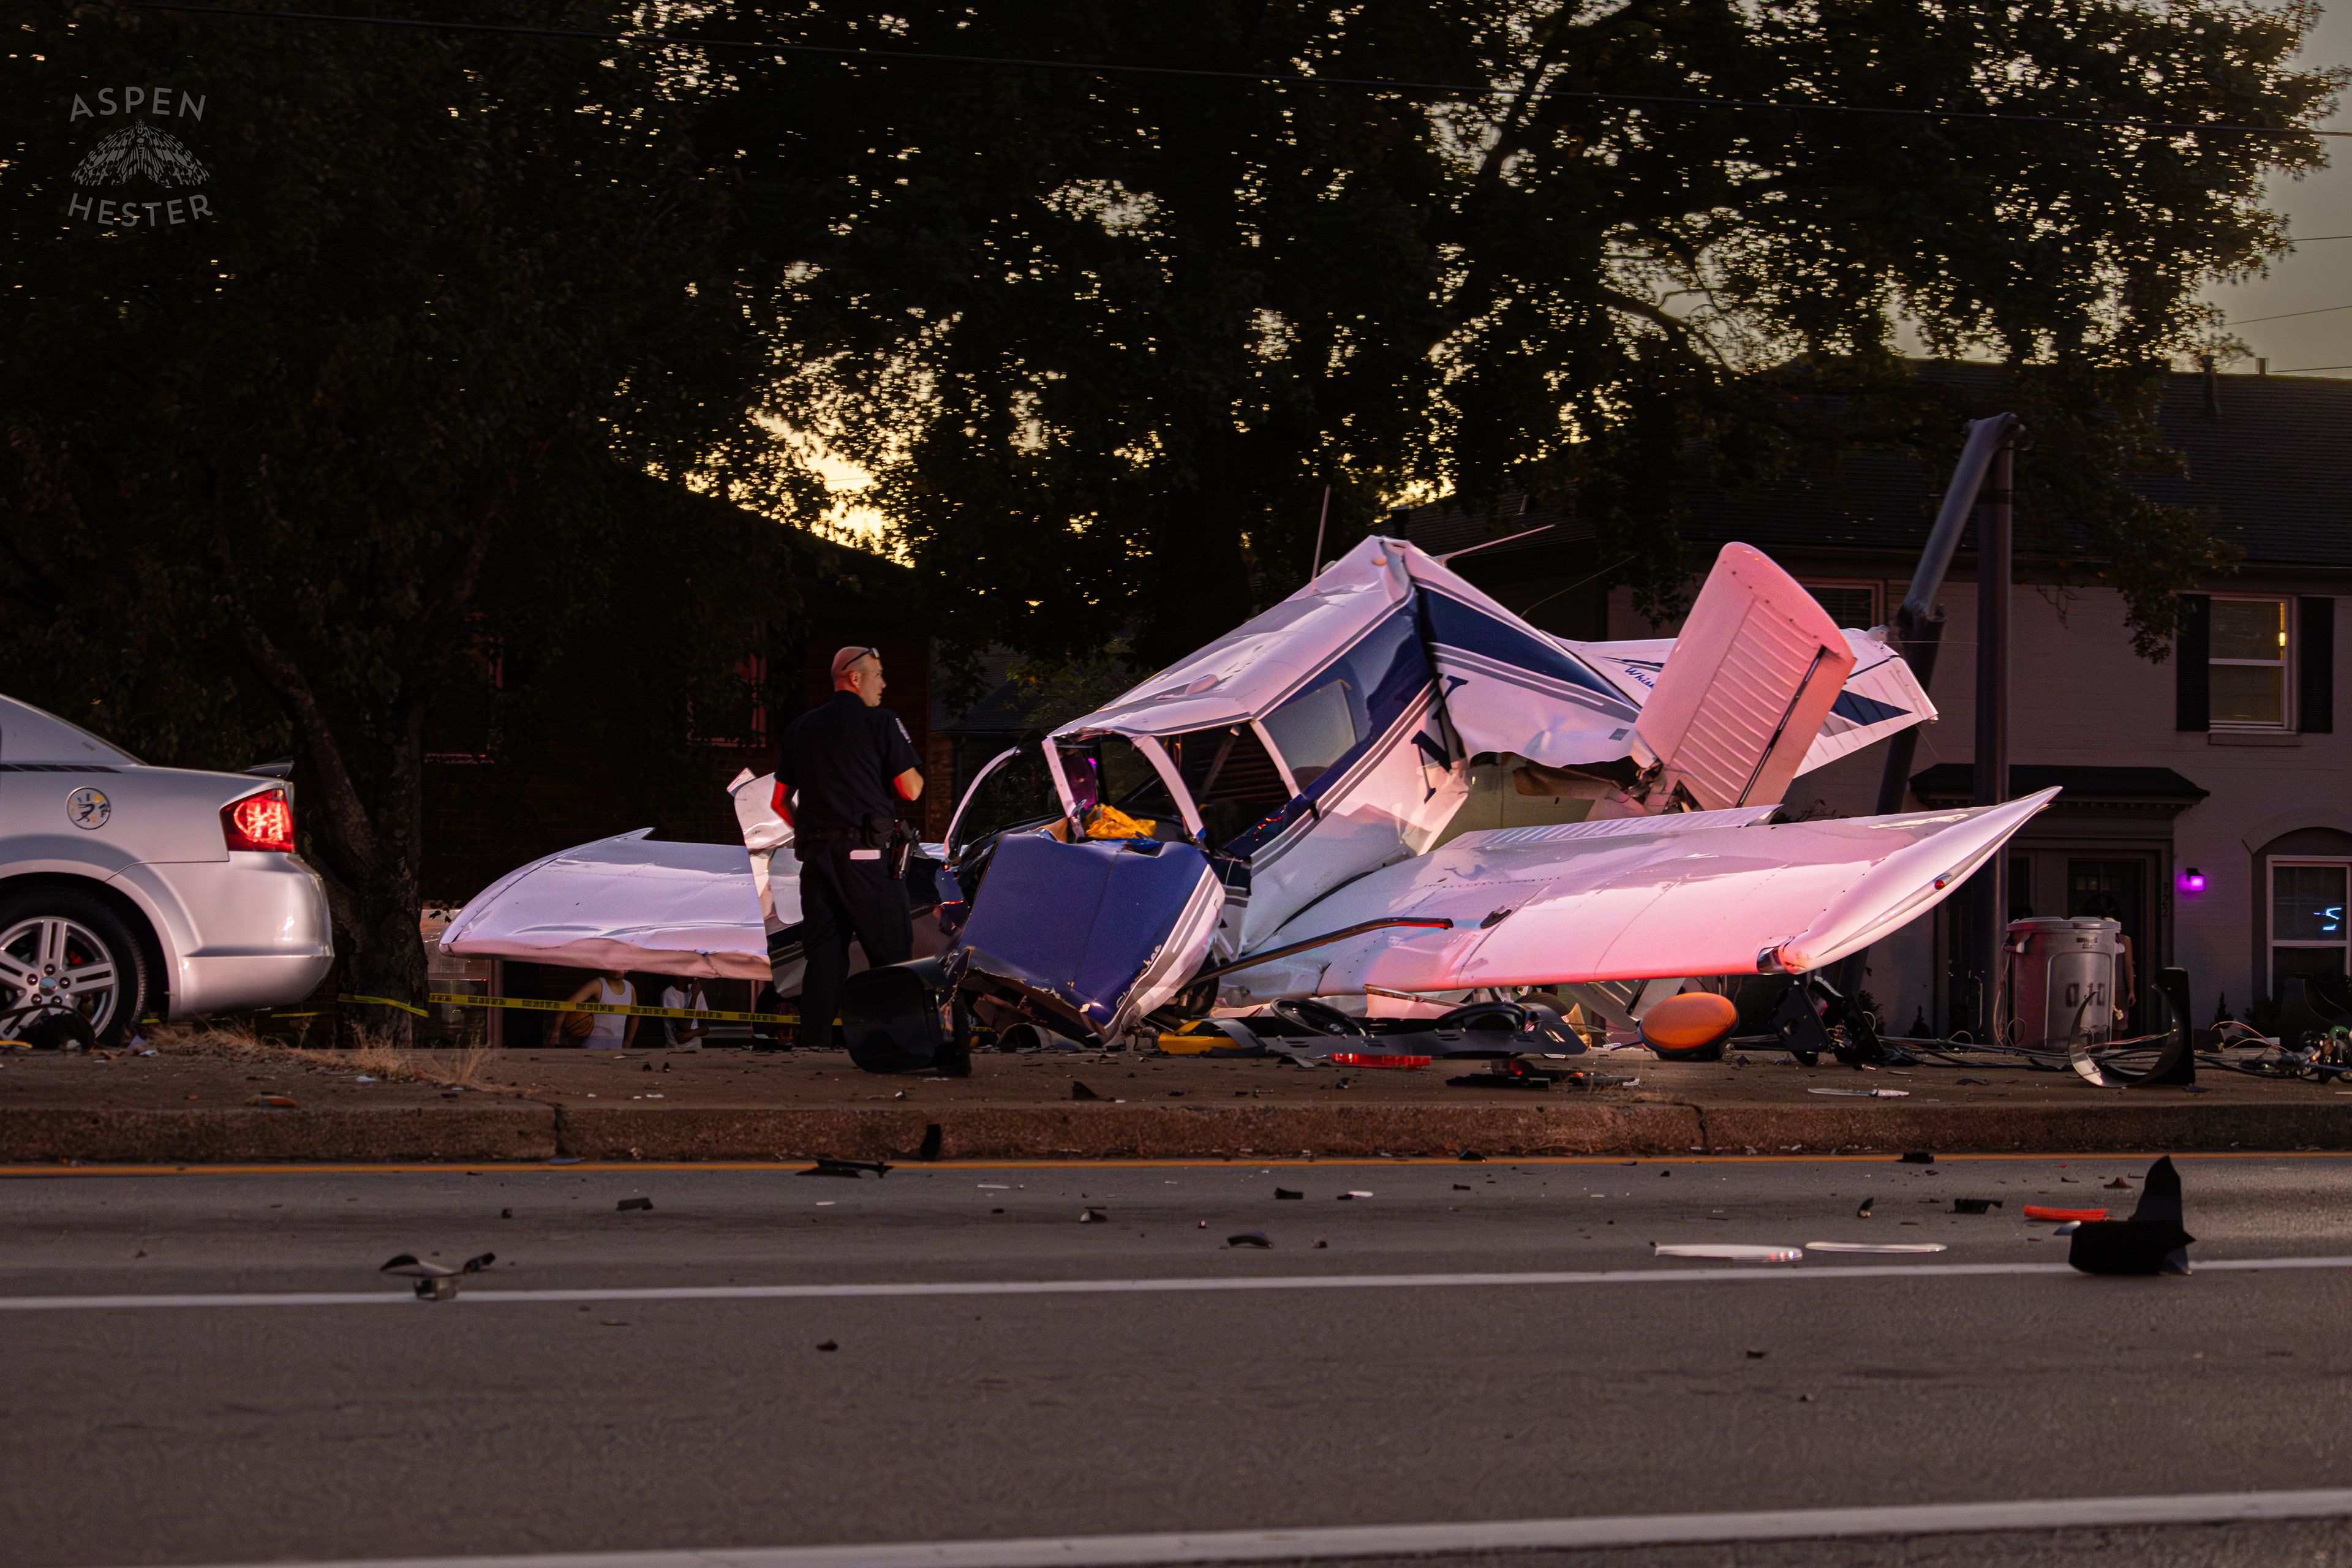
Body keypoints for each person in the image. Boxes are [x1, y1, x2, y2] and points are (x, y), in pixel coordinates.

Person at [772, 646, 928, 1058]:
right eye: (878, 674)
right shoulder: (881, 721)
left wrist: (812, 832)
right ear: (854, 678)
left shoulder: (800, 728)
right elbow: (911, 789)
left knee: (823, 956)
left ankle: (815, 1047)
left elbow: (778, 802)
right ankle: (897, 1047)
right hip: (866, 856)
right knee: (890, 953)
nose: (884, 683)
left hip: (816, 859)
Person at [549, 968, 638, 1050]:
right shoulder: (598, 985)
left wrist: (628, 1041)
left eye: (621, 965)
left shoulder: (630, 988)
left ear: (627, 968)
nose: (616, 969)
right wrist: (556, 1032)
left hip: (616, 1048)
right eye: (613, 965)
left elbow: (635, 1015)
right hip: (592, 1048)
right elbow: (567, 1005)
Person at [659, 977, 707, 1050]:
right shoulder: (669, 994)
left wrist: (692, 1034)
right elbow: (685, 1026)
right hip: (676, 1049)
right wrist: (694, 996)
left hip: (697, 1049)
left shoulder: (697, 992)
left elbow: (706, 1028)